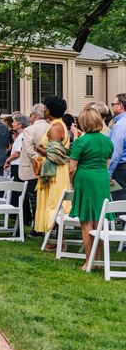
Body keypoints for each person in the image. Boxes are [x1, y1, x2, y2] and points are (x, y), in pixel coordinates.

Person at [69, 108, 114, 270]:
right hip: (101, 178)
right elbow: (107, 164)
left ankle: (89, 261)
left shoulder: (82, 141)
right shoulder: (107, 141)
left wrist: (72, 182)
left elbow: (72, 168)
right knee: (99, 221)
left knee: (86, 222)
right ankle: (99, 260)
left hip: (85, 179)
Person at [33, 96, 71, 239]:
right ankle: (55, 239)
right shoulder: (59, 124)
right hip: (55, 170)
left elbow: (55, 155)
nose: (43, 110)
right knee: (54, 203)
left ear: (48, 110)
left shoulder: (55, 128)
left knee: (54, 204)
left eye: (44, 107)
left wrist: (39, 149)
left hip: (55, 172)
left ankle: (56, 241)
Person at [19, 104, 50, 235]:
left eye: (31, 115)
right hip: (49, 167)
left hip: (33, 168)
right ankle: (43, 225)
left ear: (35, 115)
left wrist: (40, 160)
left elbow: (29, 150)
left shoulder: (29, 130)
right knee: (44, 199)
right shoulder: (51, 127)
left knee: (34, 199)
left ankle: (37, 227)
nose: (30, 117)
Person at [5, 114, 31, 223]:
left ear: (20, 124)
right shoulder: (20, 135)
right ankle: (22, 216)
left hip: (18, 165)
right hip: (16, 165)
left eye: (14, 122)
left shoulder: (23, 135)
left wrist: (8, 160)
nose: (12, 124)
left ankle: (22, 216)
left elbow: (17, 153)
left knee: (18, 191)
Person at [108, 93, 126, 201]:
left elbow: (115, 152)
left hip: (121, 169)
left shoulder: (120, 126)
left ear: (120, 106)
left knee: (119, 200)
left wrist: (108, 173)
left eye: (113, 104)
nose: (112, 106)